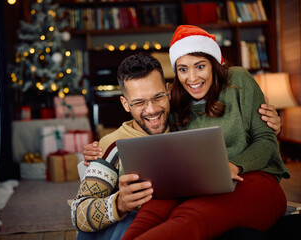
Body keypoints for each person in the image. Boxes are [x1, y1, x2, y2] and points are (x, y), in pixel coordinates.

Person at [72, 52, 283, 239]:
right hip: (141, 222)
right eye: (139, 103)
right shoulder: (111, 145)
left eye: (157, 97)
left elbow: (231, 123)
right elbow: (77, 213)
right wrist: (118, 204)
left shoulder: (182, 122)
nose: (152, 110)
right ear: (125, 104)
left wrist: (270, 124)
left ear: (168, 91)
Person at [119, 25, 290, 240]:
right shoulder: (176, 101)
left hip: (256, 180)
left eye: (200, 66)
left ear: (213, 64)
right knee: (153, 209)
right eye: (182, 69)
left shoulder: (238, 80)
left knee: (192, 215)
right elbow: (144, 122)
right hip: (202, 184)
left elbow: (266, 142)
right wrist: (100, 148)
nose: (192, 78)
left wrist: (232, 166)